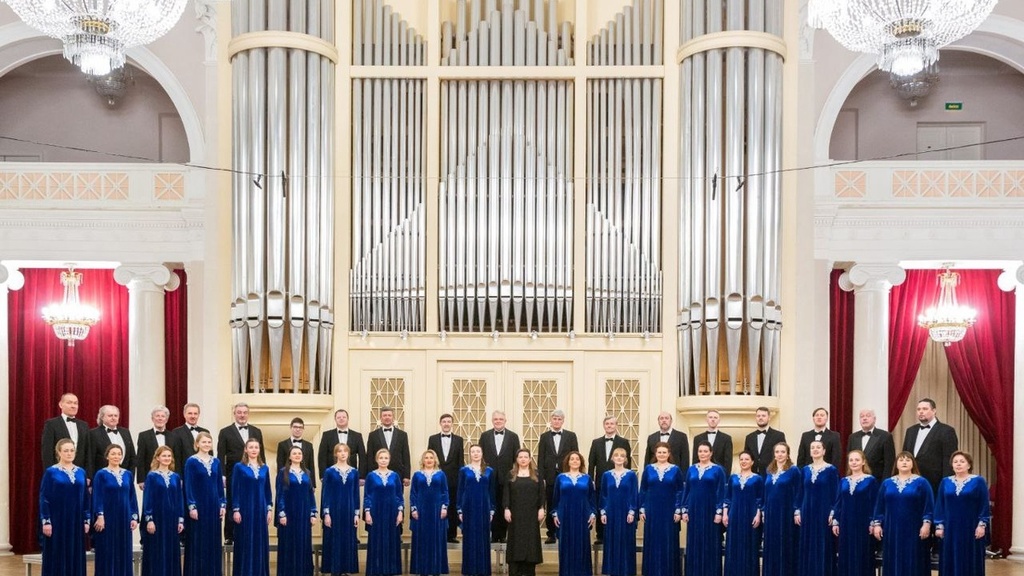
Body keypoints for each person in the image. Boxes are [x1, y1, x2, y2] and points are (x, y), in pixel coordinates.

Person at [872, 451, 934, 576]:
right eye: (901, 460)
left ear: (913, 463)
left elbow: (929, 505)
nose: (904, 462)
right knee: (893, 558)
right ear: (896, 464)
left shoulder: (922, 482)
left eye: (907, 460)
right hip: (892, 529)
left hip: (914, 529)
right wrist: (877, 524)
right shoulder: (887, 483)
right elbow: (879, 506)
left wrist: (926, 524)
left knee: (913, 558)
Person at [39, 438, 90, 576]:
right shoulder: (51, 472)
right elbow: (44, 498)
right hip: (57, 519)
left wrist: (86, 519)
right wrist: (46, 521)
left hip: (76, 521)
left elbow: (85, 497)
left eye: (72, 450)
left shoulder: (81, 472)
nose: (69, 453)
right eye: (66, 451)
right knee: (57, 552)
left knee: (75, 552)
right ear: (59, 452)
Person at [934, 451, 990, 576]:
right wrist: (939, 525)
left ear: (969, 465)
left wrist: (982, 525)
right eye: (955, 462)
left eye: (962, 461)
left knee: (969, 557)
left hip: (971, 527)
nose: (958, 464)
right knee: (949, 557)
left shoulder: (978, 481)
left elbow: (984, 504)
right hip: (950, 528)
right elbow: (940, 505)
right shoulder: (945, 482)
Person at [218, 402, 265, 544]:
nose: (242, 415)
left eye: (245, 412)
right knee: (232, 500)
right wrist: (222, 475)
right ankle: (230, 535)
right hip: (233, 473)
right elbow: (221, 454)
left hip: (254, 472)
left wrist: (263, 472)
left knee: (253, 500)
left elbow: (261, 454)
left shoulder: (256, 431)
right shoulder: (225, 432)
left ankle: (252, 531)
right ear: (234, 414)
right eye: (239, 412)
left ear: (248, 414)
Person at [92, 444, 140, 576]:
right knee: (107, 550)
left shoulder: (128, 474)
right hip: (107, 517)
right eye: (113, 454)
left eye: (119, 454)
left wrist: (134, 516)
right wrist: (100, 515)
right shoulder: (101, 474)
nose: (116, 456)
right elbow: (97, 496)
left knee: (123, 549)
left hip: (124, 517)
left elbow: (132, 496)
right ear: (107, 456)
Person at [639, 442, 684, 576]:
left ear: (669, 454)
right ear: (655, 454)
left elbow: (680, 491)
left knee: (668, 540)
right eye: (659, 452)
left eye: (664, 452)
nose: (662, 454)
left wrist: (678, 509)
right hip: (652, 510)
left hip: (670, 511)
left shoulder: (676, 469)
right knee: (653, 540)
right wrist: (642, 508)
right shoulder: (648, 469)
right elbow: (643, 489)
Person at [830, 450, 879, 576]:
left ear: (863, 462)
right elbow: (838, 502)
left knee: (863, 553)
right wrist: (836, 521)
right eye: (851, 460)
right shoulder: (843, 481)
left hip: (863, 523)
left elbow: (875, 503)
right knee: (846, 553)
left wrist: (873, 521)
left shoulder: (870, 480)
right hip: (846, 522)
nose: (854, 462)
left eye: (857, 460)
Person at [681, 442, 726, 576]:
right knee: (694, 541)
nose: (702, 454)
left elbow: (721, 492)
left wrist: (719, 511)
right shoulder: (691, 469)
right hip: (694, 510)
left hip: (710, 510)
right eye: (700, 451)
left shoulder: (718, 470)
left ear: (711, 453)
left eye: (705, 451)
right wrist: (684, 509)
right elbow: (687, 490)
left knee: (710, 542)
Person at [183, 431, 225, 576]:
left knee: (213, 541)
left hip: (213, 506)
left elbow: (219, 485)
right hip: (198, 506)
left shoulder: (216, 462)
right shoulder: (191, 461)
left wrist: (222, 503)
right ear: (197, 444)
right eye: (204, 442)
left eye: (209, 442)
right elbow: (188, 485)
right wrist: (191, 505)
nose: (207, 444)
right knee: (198, 540)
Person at [796, 440, 839, 576]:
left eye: (818, 447)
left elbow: (836, 493)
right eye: (812, 447)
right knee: (807, 543)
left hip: (824, 512)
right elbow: (800, 492)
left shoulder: (831, 470)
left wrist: (833, 511)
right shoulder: (805, 470)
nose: (815, 450)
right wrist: (797, 510)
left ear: (824, 451)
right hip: (807, 511)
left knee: (823, 543)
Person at [230, 438, 272, 576]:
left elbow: (267, 490)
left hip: (260, 509)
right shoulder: (239, 467)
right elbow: (235, 489)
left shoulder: (265, 468)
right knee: (245, 540)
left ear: (259, 450)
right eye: (251, 447)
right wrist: (236, 509)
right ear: (246, 450)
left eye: (256, 447)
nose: (254, 450)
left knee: (259, 541)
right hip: (245, 509)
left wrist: (269, 509)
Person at [537, 409, 579, 544]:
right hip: (549, 476)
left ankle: (566, 530)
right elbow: (540, 458)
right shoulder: (544, 436)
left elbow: (575, 456)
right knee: (550, 503)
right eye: (554, 418)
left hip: (567, 475)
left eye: (559, 419)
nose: (556, 421)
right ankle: (551, 533)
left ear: (563, 421)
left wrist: (574, 473)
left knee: (566, 502)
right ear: (551, 420)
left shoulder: (571, 436)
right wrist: (541, 477)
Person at [141, 445, 184, 576]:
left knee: (171, 550)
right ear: (158, 458)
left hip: (172, 519)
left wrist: (180, 520)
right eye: (164, 456)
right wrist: (149, 519)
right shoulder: (152, 476)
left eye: (169, 456)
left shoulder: (175, 476)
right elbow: (147, 499)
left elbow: (179, 499)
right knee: (157, 550)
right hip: (157, 518)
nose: (167, 458)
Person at [275, 445, 318, 576]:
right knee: (289, 543)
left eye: (299, 453)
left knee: (303, 543)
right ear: (289, 456)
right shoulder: (283, 472)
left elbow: (310, 494)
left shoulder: (307, 472)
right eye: (294, 453)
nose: (297, 455)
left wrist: (313, 512)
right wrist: (281, 513)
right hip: (289, 513)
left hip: (304, 514)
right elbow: (280, 494)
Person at [588, 415, 631, 543]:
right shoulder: (596, 442)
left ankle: (616, 533)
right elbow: (591, 463)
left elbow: (628, 463)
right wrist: (591, 480)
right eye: (607, 424)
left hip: (618, 481)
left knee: (616, 505)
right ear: (604, 425)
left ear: (616, 426)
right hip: (600, 481)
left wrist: (626, 479)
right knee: (601, 506)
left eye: (612, 424)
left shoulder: (624, 442)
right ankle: (600, 535)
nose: (609, 426)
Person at [902, 398, 959, 493]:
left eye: (925, 409)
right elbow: (905, 455)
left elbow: (949, 460)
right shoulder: (910, 431)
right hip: (911, 483)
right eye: (918, 409)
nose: (921, 412)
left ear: (934, 411)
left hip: (935, 484)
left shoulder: (946, 431)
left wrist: (946, 485)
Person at [552, 451, 595, 576]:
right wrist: (555, 513)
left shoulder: (587, 478)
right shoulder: (560, 478)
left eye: (577, 459)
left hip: (582, 515)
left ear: (581, 462)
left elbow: (592, 498)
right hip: (564, 515)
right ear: (568, 462)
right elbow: (555, 498)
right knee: (566, 545)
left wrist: (592, 514)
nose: (575, 461)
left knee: (582, 545)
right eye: (572, 459)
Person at [321, 443, 361, 576]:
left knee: (348, 538)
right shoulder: (329, 471)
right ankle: (334, 568)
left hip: (349, 510)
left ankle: (347, 568)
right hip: (334, 510)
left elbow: (356, 493)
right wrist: (326, 513)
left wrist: (356, 513)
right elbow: (325, 493)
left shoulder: (354, 472)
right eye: (340, 451)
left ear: (348, 454)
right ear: (335, 454)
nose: (343, 453)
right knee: (334, 537)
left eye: (345, 451)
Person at [480, 410, 520, 542]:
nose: (498, 421)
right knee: (491, 503)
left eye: (500, 419)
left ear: (505, 421)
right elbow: (480, 457)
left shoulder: (513, 437)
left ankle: (503, 534)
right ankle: (493, 534)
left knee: (505, 504)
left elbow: (517, 458)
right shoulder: (484, 436)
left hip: (507, 476)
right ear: (492, 421)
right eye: (496, 419)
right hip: (489, 477)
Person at [761, 442, 801, 576]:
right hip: (771, 512)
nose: (780, 454)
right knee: (771, 543)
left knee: (784, 542)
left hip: (786, 512)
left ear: (788, 454)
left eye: (783, 452)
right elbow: (766, 492)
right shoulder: (769, 470)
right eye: (777, 452)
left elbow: (799, 492)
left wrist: (796, 510)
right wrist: (764, 510)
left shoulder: (794, 470)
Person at [504, 448, 545, 576]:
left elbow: (541, 493)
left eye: (525, 457)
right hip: (515, 514)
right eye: (520, 457)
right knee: (515, 541)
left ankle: (529, 571)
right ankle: (515, 571)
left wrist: (541, 508)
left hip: (531, 514)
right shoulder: (511, 474)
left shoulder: (537, 474)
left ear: (530, 459)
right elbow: (506, 493)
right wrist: (506, 508)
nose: (523, 459)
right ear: (516, 459)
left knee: (530, 542)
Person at [364, 448, 405, 576]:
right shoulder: (371, 476)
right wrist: (367, 512)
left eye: (386, 458)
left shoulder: (395, 476)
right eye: (381, 458)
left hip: (392, 513)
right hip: (376, 512)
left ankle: (391, 570)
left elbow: (399, 496)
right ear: (377, 460)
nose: (383, 460)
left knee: (392, 541)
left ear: (389, 460)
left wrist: (400, 512)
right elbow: (367, 496)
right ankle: (376, 570)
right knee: (376, 541)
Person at [722, 451, 764, 576]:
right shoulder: (733, 478)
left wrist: (758, 515)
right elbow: (727, 498)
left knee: (750, 545)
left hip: (751, 516)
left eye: (747, 459)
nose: (744, 461)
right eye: (741, 459)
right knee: (733, 545)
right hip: (734, 515)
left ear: (752, 462)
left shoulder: (758, 479)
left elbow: (760, 499)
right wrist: (725, 514)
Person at [410, 449, 450, 576]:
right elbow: (413, 493)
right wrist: (413, 508)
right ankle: (422, 570)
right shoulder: (417, 475)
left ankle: (435, 569)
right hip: (421, 511)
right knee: (422, 539)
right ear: (423, 460)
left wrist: (444, 507)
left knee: (436, 539)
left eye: (431, 458)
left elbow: (445, 492)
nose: (429, 460)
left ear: (435, 460)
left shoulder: (441, 474)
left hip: (437, 511)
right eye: (426, 458)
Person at [599, 447, 638, 576]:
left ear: (626, 459)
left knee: (626, 542)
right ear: (612, 458)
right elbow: (603, 494)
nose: (619, 457)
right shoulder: (606, 475)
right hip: (611, 513)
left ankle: (626, 571)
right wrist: (603, 512)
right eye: (616, 455)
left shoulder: (631, 475)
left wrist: (632, 511)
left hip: (626, 513)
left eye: (622, 455)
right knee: (611, 541)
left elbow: (634, 494)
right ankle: (613, 571)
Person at [458, 444, 495, 576]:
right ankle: (469, 570)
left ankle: (483, 569)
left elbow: (492, 491)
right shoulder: (464, 470)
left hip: (484, 507)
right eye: (473, 451)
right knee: (469, 537)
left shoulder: (489, 470)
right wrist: (459, 509)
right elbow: (460, 490)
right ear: (469, 454)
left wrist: (492, 509)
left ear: (482, 453)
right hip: (468, 507)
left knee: (483, 537)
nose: (475, 454)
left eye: (478, 451)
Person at [427, 413, 465, 543]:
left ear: (452, 424)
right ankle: (437, 532)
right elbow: (429, 459)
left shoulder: (459, 440)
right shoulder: (433, 439)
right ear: (440, 423)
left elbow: (461, 461)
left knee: (452, 506)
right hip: (436, 479)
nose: (446, 424)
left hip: (454, 480)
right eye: (444, 421)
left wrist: (461, 480)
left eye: (449, 421)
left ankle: (451, 535)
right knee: (437, 505)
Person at [40, 393, 90, 469]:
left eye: (75, 403)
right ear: (60, 405)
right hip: (58, 470)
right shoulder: (51, 424)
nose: (73, 406)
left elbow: (87, 452)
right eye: (69, 403)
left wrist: (88, 473)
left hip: (79, 471)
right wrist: (50, 472)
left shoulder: (84, 425)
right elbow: (47, 451)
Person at [365, 407, 412, 487]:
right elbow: (369, 456)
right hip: (377, 475)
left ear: (393, 418)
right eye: (384, 415)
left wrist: (407, 476)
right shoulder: (373, 435)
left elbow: (406, 455)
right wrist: (370, 475)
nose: (387, 417)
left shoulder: (402, 435)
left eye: (389, 415)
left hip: (398, 474)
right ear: (381, 418)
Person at [87, 405, 137, 479]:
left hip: (124, 478)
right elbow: (90, 458)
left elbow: (132, 456)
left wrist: (130, 476)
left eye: (116, 416)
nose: (113, 418)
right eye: (110, 415)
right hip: (103, 478)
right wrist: (91, 478)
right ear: (102, 417)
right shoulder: (94, 433)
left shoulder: (125, 432)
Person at [846, 409, 895, 482]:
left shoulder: (885, 436)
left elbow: (889, 463)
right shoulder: (852, 437)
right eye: (862, 416)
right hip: (856, 481)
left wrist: (884, 483)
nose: (864, 418)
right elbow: (849, 460)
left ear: (874, 419)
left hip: (877, 481)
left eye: (868, 416)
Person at [318, 408, 367, 481]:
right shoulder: (327, 435)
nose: (341, 419)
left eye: (344, 417)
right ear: (335, 419)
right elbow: (322, 456)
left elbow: (362, 457)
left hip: (352, 475)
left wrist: (361, 476)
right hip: (332, 475)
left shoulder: (357, 436)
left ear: (348, 419)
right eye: (338, 417)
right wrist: (323, 475)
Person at [742, 407, 786, 475]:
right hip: (753, 474)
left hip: (772, 473)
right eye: (758, 416)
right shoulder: (749, 437)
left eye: (763, 416)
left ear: (769, 418)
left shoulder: (778, 435)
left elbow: (783, 456)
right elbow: (746, 456)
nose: (760, 418)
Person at [136, 405, 172, 489]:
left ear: (166, 419)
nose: (160, 418)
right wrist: (141, 480)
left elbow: (176, 458)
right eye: (157, 416)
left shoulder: (173, 436)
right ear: (152, 419)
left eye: (163, 416)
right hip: (150, 476)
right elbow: (140, 458)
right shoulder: (143, 436)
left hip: (169, 476)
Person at [276, 417, 317, 489]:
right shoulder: (282, 445)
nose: (298, 429)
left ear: (303, 429)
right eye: (295, 427)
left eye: (300, 427)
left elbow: (311, 465)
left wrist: (312, 484)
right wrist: (281, 484)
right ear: (291, 428)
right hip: (288, 482)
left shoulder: (309, 445)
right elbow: (280, 465)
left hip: (305, 481)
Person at [169, 403, 209, 471]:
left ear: (198, 415)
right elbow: (176, 457)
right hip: (186, 471)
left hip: (204, 471)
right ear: (184, 414)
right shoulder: (176, 432)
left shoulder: (205, 432)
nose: (193, 416)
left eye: (195, 413)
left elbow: (209, 453)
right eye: (190, 413)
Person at [691, 409, 733, 475]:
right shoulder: (697, 438)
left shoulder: (726, 438)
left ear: (719, 420)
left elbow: (728, 462)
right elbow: (695, 460)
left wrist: (725, 478)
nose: (713, 419)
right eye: (710, 417)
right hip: (701, 475)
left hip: (719, 475)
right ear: (706, 419)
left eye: (715, 417)